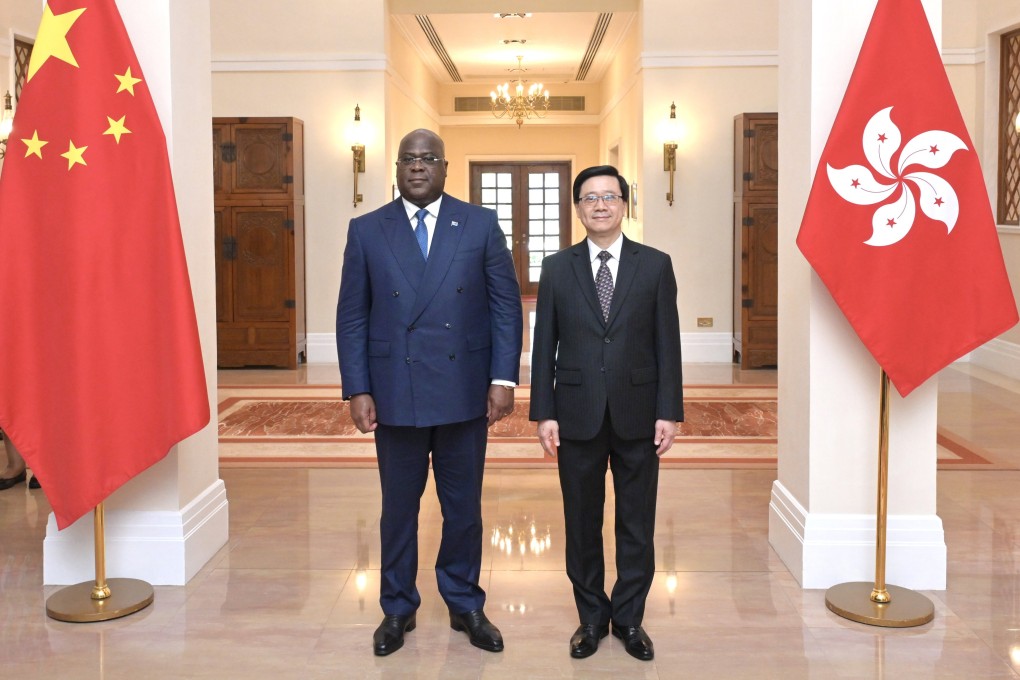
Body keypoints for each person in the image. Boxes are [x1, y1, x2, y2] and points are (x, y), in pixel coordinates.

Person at [336, 129, 523, 656]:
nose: (418, 167)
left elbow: (505, 306)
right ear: (396, 169)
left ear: (445, 168)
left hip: (465, 389)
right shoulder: (368, 229)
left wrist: (503, 378)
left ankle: (464, 601)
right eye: (408, 160)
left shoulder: (480, 223)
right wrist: (357, 387)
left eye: (428, 159)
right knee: (399, 507)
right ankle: (397, 607)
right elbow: (352, 314)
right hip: (395, 390)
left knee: (462, 506)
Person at [529, 165, 683, 662]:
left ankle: (631, 619)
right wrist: (543, 412)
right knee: (581, 521)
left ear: (624, 205)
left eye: (610, 197)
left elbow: (668, 345)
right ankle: (591, 619)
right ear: (577, 209)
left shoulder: (655, 265)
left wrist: (669, 410)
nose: (600, 205)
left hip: (640, 413)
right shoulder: (556, 268)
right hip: (575, 413)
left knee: (636, 523)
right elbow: (543, 345)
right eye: (590, 198)